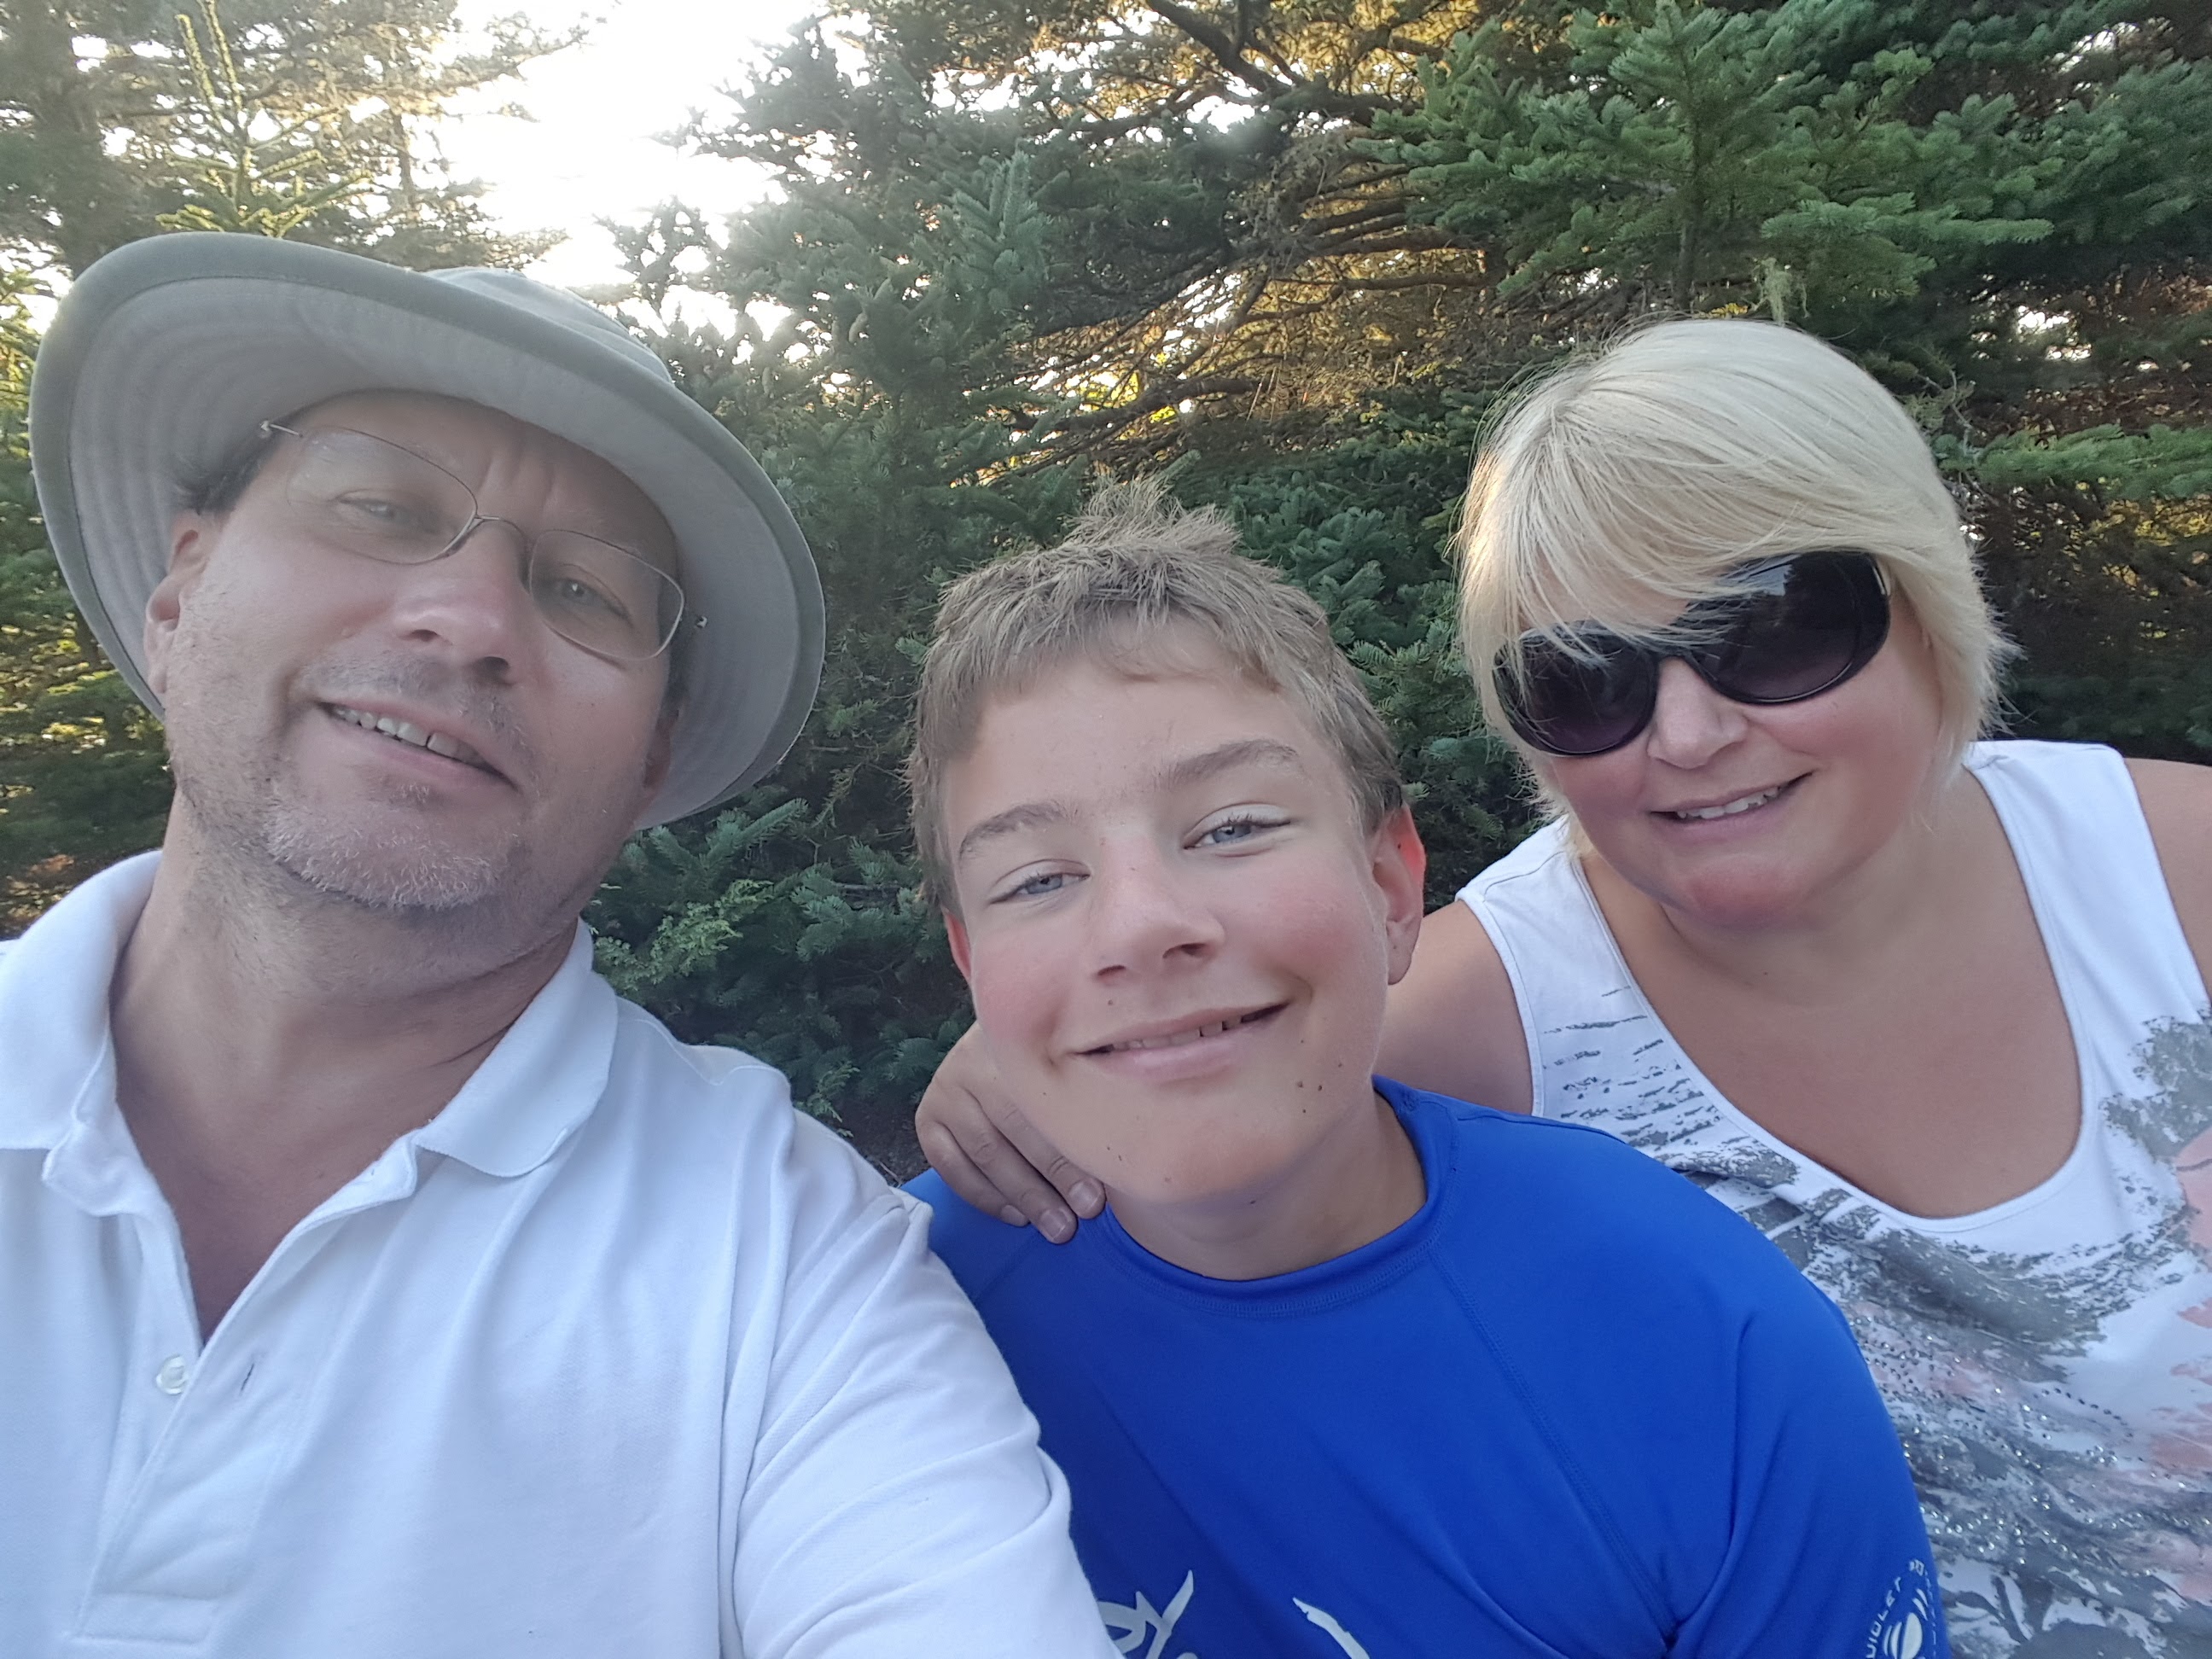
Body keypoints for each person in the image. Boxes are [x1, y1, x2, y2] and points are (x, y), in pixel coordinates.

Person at [916, 321, 2212, 1658]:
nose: (1691, 733)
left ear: (1929, 603)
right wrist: (1015, 1055)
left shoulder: (2179, 883)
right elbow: (1211, 1062)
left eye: (1775, 627)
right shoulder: (1484, 1011)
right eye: (1589, 680)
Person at [0, 232, 1115, 1658]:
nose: (470, 618)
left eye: (585, 590)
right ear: (179, 599)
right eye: (379, 507)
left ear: (650, 763)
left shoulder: (791, 1266)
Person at [905, 485, 1950, 1657]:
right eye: (1038, 881)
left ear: (1393, 887)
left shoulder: (1701, 1338)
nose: (1142, 926)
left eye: (1233, 827)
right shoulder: (868, 1330)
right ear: (973, 965)